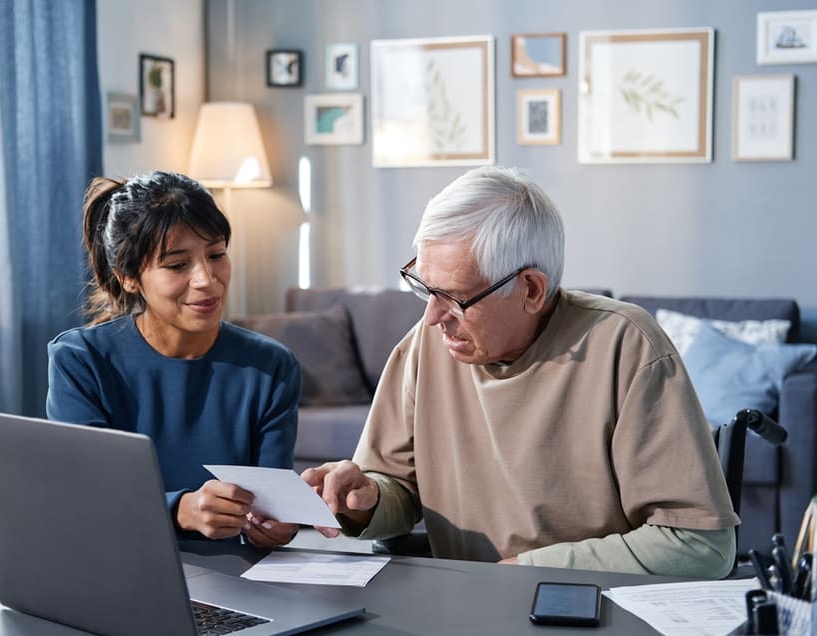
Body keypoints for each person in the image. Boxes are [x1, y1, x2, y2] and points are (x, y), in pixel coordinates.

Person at [303, 165, 739, 577]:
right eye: (423, 286)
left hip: (590, 610)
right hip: (463, 609)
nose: (433, 317)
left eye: (454, 297)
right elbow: (399, 487)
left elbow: (699, 545)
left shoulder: (626, 346)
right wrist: (368, 499)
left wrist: (527, 572)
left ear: (531, 289)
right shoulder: (427, 342)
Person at [46, 170, 301, 547]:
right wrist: (180, 509)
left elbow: (272, 513)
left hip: (233, 585)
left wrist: (278, 527)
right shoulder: (81, 360)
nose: (207, 279)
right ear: (129, 277)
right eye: (177, 265)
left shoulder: (271, 366)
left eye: (216, 255)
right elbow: (87, 497)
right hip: (116, 566)